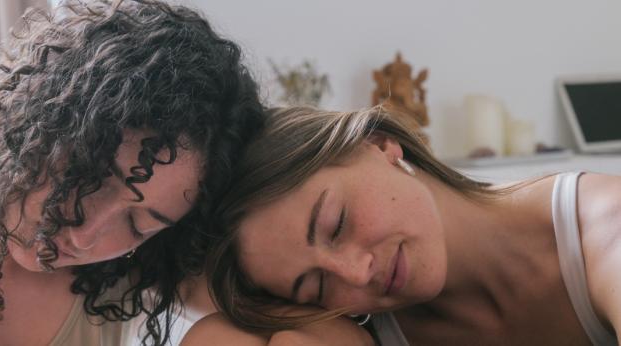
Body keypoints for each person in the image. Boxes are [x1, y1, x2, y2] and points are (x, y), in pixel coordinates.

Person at [0, 0, 265, 345]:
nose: (85, 233)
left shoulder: (124, 270)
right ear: (41, 123)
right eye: (91, 176)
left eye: (138, 224)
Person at [182, 106, 620, 345]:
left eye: (336, 225)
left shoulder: (605, 226)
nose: (355, 275)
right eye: (316, 287)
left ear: (378, 144)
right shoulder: (349, 328)